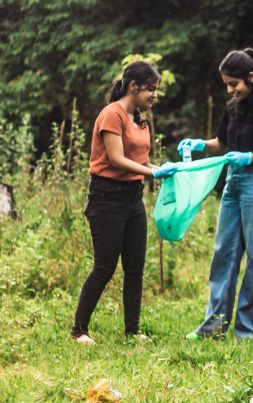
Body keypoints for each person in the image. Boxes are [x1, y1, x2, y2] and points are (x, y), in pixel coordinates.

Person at [178, 48, 253, 340]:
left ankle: (250, 329)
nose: (230, 89)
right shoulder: (233, 106)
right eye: (226, 83)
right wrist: (200, 143)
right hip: (233, 184)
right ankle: (214, 326)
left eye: (234, 83)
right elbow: (221, 142)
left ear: (251, 78)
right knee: (223, 255)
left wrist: (249, 157)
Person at [72, 61, 178, 345]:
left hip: (133, 199)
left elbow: (139, 162)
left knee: (135, 268)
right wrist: (153, 172)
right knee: (104, 267)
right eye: (150, 89)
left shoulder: (138, 118)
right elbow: (117, 159)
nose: (154, 95)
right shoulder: (112, 115)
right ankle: (79, 330)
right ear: (133, 87)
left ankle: (133, 331)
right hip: (106, 198)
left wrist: (161, 169)